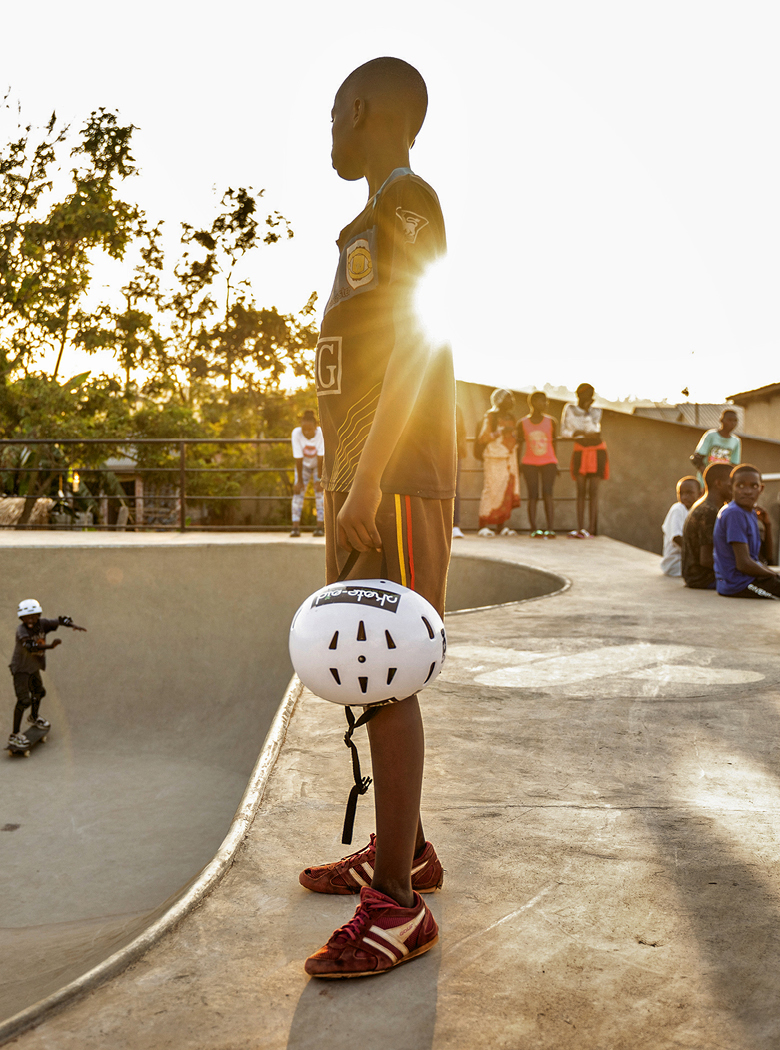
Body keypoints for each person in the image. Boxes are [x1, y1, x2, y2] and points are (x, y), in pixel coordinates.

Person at [301, 56, 450, 979]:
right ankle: (411, 851)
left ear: (360, 109)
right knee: (362, 661)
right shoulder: (366, 219)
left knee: (386, 669)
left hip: (392, 480)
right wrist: (337, 481)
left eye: (331, 113)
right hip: (362, 477)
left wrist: (364, 485)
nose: (327, 129)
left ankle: (398, 908)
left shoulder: (410, 200)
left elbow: (418, 343)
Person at [8, 598, 86, 750]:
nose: (30, 620)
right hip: (21, 670)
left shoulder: (43, 624)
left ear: (38, 615)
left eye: (33, 616)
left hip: (33, 667)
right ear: (21, 618)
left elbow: (60, 620)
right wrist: (51, 645)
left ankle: (34, 717)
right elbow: (30, 646)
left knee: (39, 692)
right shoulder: (21, 630)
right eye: (26, 618)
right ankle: (14, 735)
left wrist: (72, 625)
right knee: (24, 701)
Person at [713, 464, 780, 598]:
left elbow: (766, 558)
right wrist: (775, 575)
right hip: (738, 584)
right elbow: (744, 564)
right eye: (740, 485)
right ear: (731, 488)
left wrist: (767, 525)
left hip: (749, 578)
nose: (747, 491)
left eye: (754, 486)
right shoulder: (734, 513)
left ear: (761, 488)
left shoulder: (750, 513)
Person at [561, 383, 605, 538]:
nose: (590, 398)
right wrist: (578, 433)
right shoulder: (569, 409)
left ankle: (591, 529)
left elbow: (594, 431)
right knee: (580, 490)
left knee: (593, 491)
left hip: (597, 450)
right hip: (580, 451)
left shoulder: (596, 411)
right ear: (579, 395)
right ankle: (580, 528)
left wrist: (586, 414)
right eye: (587, 394)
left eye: (592, 395)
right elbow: (565, 432)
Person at [681, 462, 734, 590]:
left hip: (698, 576)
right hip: (702, 578)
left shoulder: (707, 506)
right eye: (732, 483)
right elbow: (706, 560)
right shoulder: (709, 512)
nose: (736, 488)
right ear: (719, 483)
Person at [475, 390, 519, 537]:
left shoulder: (511, 417)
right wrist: (501, 432)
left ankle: (502, 526)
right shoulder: (490, 416)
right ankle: (484, 525)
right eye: (508, 398)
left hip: (508, 458)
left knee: (506, 490)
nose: (511, 401)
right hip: (493, 457)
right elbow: (483, 437)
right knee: (491, 489)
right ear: (499, 400)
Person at [516, 390, 558, 537]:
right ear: (533, 403)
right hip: (529, 463)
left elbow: (554, 444)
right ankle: (534, 529)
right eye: (542, 401)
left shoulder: (551, 422)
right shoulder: (522, 423)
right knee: (533, 495)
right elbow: (519, 446)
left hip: (549, 462)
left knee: (548, 493)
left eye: (546, 401)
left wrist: (555, 462)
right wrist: (517, 465)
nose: (545, 404)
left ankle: (550, 528)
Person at [291, 410, 326, 538]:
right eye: (304, 429)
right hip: (303, 466)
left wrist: (319, 479)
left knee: (320, 494)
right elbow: (298, 459)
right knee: (297, 493)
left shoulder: (321, 433)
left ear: (315, 427)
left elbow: (321, 458)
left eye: (309, 430)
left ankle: (320, 527)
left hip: (319, 465)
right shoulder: (296, 433)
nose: (306, 432)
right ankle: (295, 527)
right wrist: (299, 481)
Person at [660, 476, 700, 577]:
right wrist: (697, 554)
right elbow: (676, 538)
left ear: (700, 494)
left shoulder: (696, 511)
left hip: (689, 560)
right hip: (675, 563)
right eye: (681, 493)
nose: (684, 497)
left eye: (689, 493)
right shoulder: (678, 509)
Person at [692, 408, 741, 475]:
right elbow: (697, 459)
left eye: (735, 421)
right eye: (729, 420)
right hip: (706, 480)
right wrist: (706, 475)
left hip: (723, 481)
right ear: (721, 420)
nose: (732, 423)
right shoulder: (711, 436)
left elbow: (734, 464)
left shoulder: (736, 441)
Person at [452, 405, 467, 540]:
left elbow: (461, 430)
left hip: (454, 453)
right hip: (432, 453)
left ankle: (455, 525)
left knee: (454, 488)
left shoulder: (456, 407)